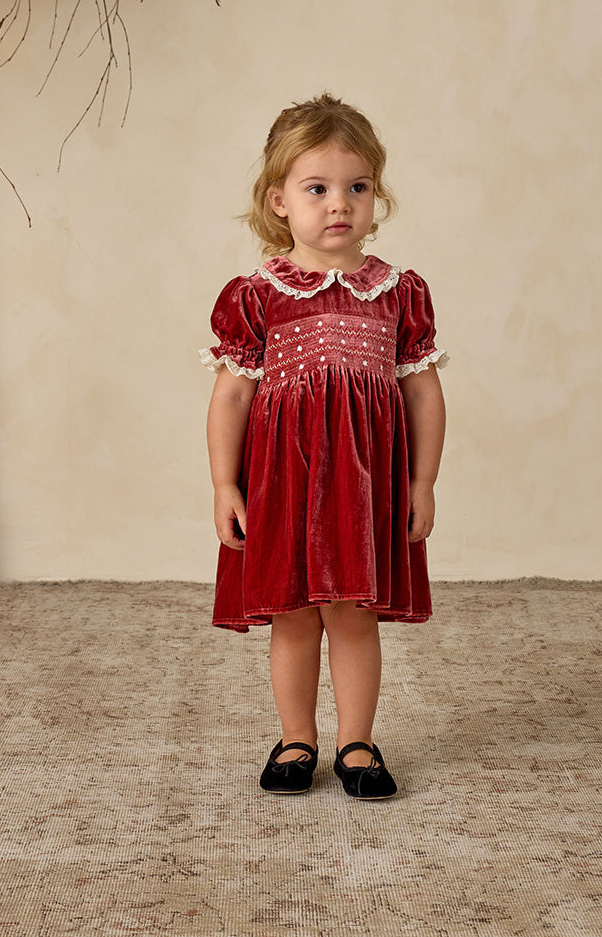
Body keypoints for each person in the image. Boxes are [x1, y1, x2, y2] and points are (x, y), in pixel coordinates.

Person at [200, 93, 447, 800]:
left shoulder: (398, 293)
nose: (339, 205)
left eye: (357, 188)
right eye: (318, 189)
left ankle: (358, 742)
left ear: (377, 196)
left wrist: (422, 482)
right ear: (279, 200)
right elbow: (232, 395)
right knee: (293, 613)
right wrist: (225, 485)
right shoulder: (258, 295)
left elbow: (423, 393)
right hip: (283, 482)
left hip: (364, 485)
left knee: (354, 613)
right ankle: (297, 737)